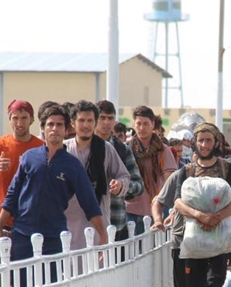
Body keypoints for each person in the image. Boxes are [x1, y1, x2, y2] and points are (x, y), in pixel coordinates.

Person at [0, 105, 108, 287]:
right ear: (43, 128)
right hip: (22, 234)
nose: (54, 129)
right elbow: (12, 196)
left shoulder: (73, 165)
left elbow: (90, 203)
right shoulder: (29, 158)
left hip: (54, 237)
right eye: (50, 124)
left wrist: (103, 235)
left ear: (66, 129)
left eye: (59, 125)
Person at [170, 122, 231, 287]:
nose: (204, 144)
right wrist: (199, 215)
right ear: (194, 143)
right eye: (200, 140)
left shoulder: (227, 168)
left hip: (219, 240)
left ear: (215, 142)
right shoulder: (186, 171)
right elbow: (178, 201)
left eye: (208, 140)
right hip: (194, 241)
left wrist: (217, 217)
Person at [63, 100, 130, 250]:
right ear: (73, 123)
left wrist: (119, 185)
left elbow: (124, 176)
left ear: (95, 122)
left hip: (98, 225)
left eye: (89, 121)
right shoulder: (63, 149)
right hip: (67, 226)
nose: (85, 125)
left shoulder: (106, 149)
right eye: (81, 120)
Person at [0, 100, 44, 238]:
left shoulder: (41, 147)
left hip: (31, 220)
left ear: (32, 120)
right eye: (15, 118)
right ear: (9, 120)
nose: (19, 123)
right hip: (1, 221)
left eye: (24, 118)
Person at [95, 100, 144, 243]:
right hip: (88, 225)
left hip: (116, 222)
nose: (106, 123)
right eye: (102, 118)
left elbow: (138, 185)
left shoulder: (122, 149)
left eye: (110, 118)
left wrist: (123, 186)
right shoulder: (84, 146)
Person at [125, 106, 177, 235]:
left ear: (153, 124)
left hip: (157, 209)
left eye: (146, 124)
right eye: (138, 124)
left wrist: (160, 199)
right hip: (130, 208)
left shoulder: (162, 149)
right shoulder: (126, 148)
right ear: (134, 125)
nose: (142, 128)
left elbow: (170, 179)